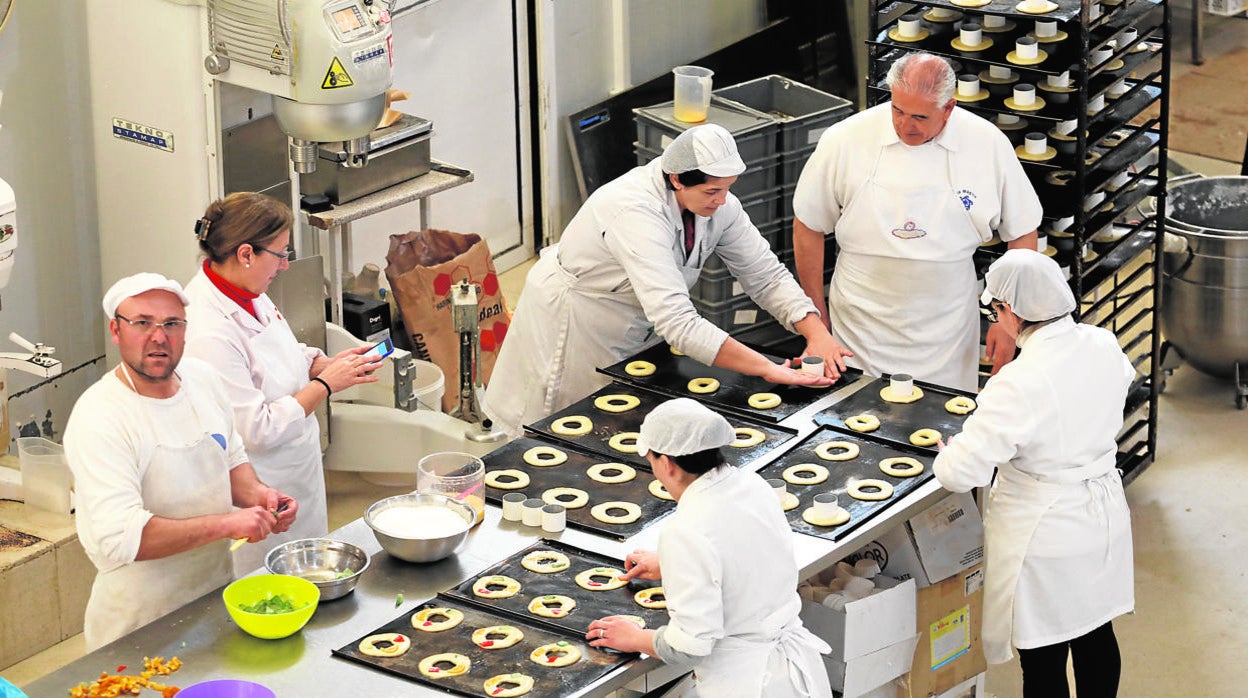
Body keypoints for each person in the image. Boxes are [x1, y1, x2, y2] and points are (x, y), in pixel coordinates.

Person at [486, 124, 851, 436]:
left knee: (622, 416)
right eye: (712, 191)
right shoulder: (634, 210)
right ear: (676, 178)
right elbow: (677, 320)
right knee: (559, 425)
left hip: (637, 317)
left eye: (728, 188)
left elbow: (765, 275)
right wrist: (769, 370)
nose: (722, 201)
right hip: (579, 319)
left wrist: (815, 332)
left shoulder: (716, 204)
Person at [932, 250, 1135, 697]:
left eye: (994, 310)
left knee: (1043, 655)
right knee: (1096, 634)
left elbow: (958, 473)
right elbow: (1112, 389)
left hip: (1046, 535)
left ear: (1010, 311)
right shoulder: (1103, 342)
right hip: (1103, 520)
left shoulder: (1019, 381)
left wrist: (948, 452)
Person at [64, 273, 299, 651]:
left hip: (214, 598)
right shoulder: (101, 416)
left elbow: (231, 458)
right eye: (142, 323)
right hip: (140, 625)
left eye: (171, 324)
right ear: (116, 330)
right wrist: (227, 523)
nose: (159, 337)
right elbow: (121, 537)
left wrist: (260, 496)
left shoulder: (203, 380)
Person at [791, 52, 1042, 392]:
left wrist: (1009, 317)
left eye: (920, 117)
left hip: (946, 322)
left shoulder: (986, 144)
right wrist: (817, 319)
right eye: (898, 110)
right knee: (854, 416)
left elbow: (1023, 231)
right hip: (861, 316)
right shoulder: (847, 139)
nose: (906, 126)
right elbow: (808, 225)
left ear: (949, 108)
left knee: (943, 422)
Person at [182, 192, 379, 574]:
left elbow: (277, 347)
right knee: (273, 585)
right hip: (261, 487)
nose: (285, 266)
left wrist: (318, 363)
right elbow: (256, 429)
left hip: (297, 470)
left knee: (311, 571)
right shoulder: (208, 331)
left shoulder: (246, 290)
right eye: (281, 254)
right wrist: (324, 386)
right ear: (245, 254)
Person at [586, 398, 833, 697]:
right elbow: (745, 553)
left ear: (667, 464)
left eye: (650, 459)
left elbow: (689, 648)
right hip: (791, 675)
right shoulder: (751, 485)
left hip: (748, 683)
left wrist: (635, 638)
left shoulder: (685, 531)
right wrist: (672, 563)